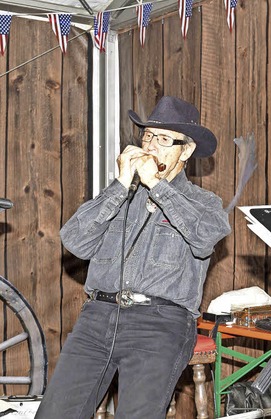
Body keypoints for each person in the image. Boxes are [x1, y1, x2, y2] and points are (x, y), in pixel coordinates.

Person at [36, 96, 231, 418]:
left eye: (164, 139)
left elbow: (203, 239)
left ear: (186, 150)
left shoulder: (204, 203)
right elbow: (75, 241)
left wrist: (157, 184)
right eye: (148, 136)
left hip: (159, 325)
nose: (152, 146)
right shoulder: (119, 195)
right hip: (96, 318)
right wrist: (120, 184)